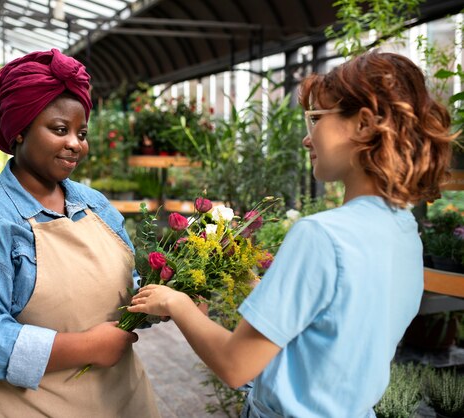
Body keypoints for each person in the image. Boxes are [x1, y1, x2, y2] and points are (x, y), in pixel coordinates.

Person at [128, 51, 455, 418]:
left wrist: (176, 303)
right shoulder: (403, 230)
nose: (306, 138)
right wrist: (251, 282)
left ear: (363, 125)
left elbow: (236, 365)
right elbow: (329, 332)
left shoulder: (321, 234)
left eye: (316, 119)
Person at [0, 48, 160, 418]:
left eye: (82, 133)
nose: (75, 144)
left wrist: (168, 296)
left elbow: (128, 285)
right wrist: (86, 347)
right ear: (18, 131)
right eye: (60, 129)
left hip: (119, 401)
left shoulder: (95, 206)